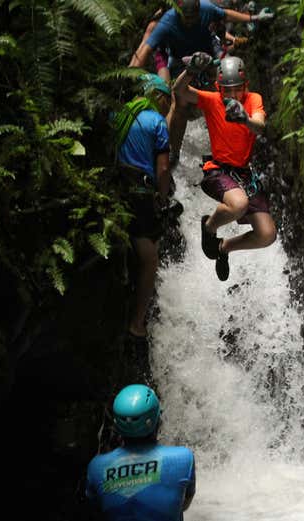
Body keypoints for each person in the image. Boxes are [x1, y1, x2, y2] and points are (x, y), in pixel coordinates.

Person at [129, 0, 275, 165]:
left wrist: (254, 18)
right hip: (179, 62)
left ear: (199, 10)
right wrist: (127, 77)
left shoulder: (207, 9)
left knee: (225, 95)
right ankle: (171, 153)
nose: (190, 20)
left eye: (193, 16)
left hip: (207, 58)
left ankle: (233, 149)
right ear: (178, 11)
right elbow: (145, 49)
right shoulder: (166, 21)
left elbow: (225, 16)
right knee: (178, 104)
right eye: (186, 16)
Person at [173, 54, 276, 281]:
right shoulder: (212, 100)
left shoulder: (253, 99)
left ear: (245, 86)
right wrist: (190, 70)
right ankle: (209, 227)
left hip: (243, 173)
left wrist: (245, 119)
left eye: (237, 89)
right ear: (218, 88)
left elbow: (260, 126)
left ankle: (223, 248)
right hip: (218, 169)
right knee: (239, 204)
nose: (232, 95)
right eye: (227, 90)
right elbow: (179, 90)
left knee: (267, 235)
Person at [113, 74, 173, 340]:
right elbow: (162, 168)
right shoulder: (157, 122)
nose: (168, 107)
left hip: (116, 189)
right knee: (150, 258)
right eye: (167, 101)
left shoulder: (121, 114)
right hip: (140, 193)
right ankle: (137, 322)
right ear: (157, 96)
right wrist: (161, 197)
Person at [86, 384, 196, 521]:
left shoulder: (96, 466)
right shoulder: (183, 458)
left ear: (116, 425)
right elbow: (184, 504)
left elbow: (97, 509)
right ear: (157, 420)